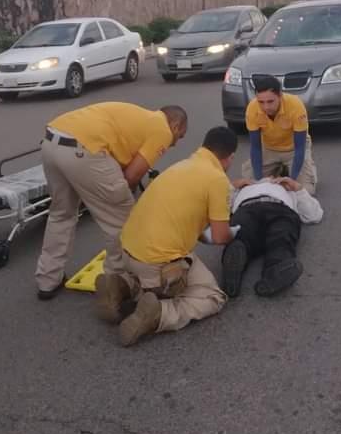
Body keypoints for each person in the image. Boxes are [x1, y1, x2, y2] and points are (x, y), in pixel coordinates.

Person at [95, 127, 240, 347]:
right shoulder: (217, 179)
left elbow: (186, 219)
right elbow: (221, 237)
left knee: (158, 264)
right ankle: (160, 314)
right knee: (212, 297)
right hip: (155, 263)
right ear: (230, 157)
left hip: (127, 251)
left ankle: (122, 285)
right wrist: (233, 234)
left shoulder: (181, 166)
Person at [35, 102, 187, 299]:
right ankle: (117, 284)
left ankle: (48, 280)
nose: (175, 143)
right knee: (123, 222)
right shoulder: (163, 130)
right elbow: (132, 176)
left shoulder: (140, 116)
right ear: (175, 126)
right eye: (180, 136)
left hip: (52, 141)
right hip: (84, 150)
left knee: (61, 215)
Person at [221, 177, 323, 298]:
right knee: (242, 234)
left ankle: (276, 272)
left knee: (281, 237)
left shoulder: (289, 190)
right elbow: (217, 206)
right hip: (248, 208)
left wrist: (298, 188)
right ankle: (234, 264)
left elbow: (313, 215)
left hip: (280, 209)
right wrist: (233, 186)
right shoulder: (243, 187)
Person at [243, 75, 317, 194]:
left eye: (270, 101)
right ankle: (280, 169)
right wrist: (258, 181)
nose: (266, 107)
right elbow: (255, 148)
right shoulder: (252, 108)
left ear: (280, 96)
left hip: (293, 149)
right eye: (261, 102)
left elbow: (300, 148)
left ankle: (294, 170)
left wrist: (291, 181)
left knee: (305, 190)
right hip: (268, 148)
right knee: (250, 185)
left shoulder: (296, 105)